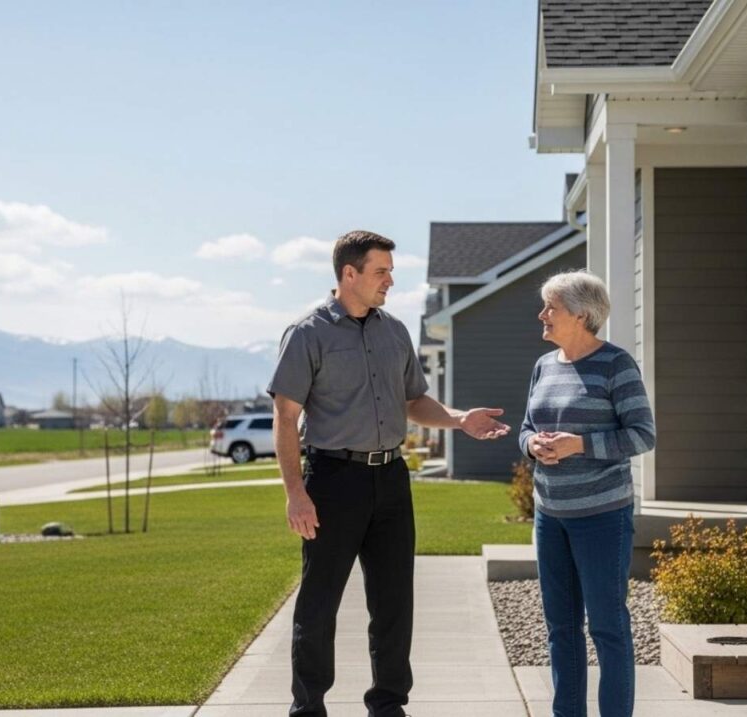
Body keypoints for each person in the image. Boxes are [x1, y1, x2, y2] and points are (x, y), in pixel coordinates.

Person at [268, 230, 509, 717]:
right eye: (381, 272)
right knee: (320, 602)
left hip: (392, 481)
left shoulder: (393, 331)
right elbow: (285, 417)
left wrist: (459, 419)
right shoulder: (308, 333)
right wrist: (295, 492)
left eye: (391, 272)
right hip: (333, 481)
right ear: (348, 274)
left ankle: (388, 704)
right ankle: (308, 707)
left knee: (395, 601)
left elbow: (414, 401)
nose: (390, 281)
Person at [519, 270, 656, 717]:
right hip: (550, 515)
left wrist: (580, 444)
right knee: (560, 627)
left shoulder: (616, 365)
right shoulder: (543, 365)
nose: (542, 314)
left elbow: (642, 435)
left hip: (602, 516)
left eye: (550, 308)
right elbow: (526, 428)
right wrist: (532, 446)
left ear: (581, 315)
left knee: (607, 627)